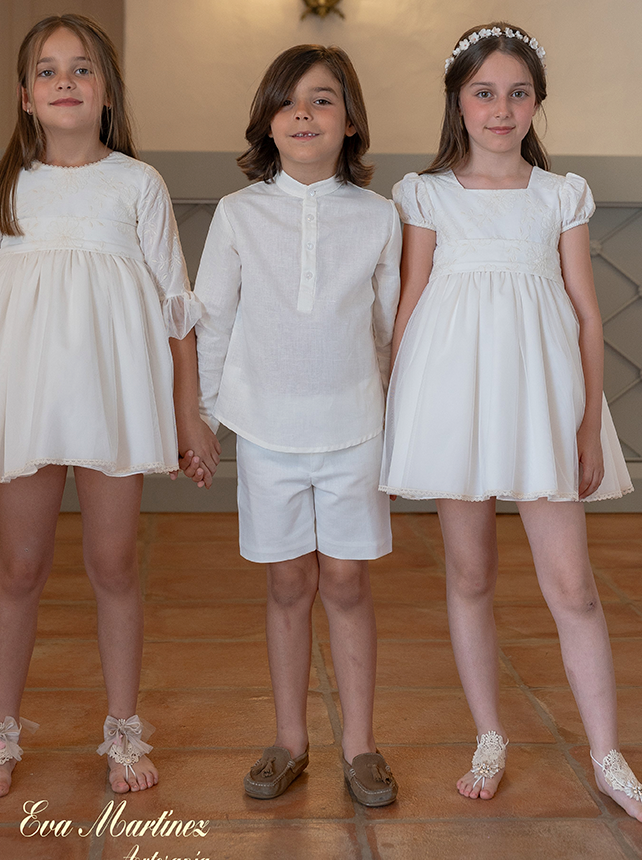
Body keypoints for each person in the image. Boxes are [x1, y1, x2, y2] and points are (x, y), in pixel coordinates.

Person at [0, 13, 219, 797]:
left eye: (81, 68)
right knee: (20, 565)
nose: (64, 81)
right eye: (46, 71)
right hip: (28, 399)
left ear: (107, 90)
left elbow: (176, 313)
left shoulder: (137, 185)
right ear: (25, 96)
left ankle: (122, 728)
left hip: (111, 399)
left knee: (114, 562)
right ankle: (1, 730)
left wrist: (187, 415)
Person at [380, 22, 642, 823]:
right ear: (458, 101)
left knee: (572, 585)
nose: (500, 109)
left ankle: (607, 754)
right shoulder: (426, 194)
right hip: (453, 399)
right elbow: (410, 307)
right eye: (484, 93)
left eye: (517, 93)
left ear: (537, 102)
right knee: (470, 574)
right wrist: (403, 420)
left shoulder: (560, 194)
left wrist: (586, 426)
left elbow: (587, 316)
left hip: (543, 401)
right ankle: (489, 735)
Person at [194, 45, 400, 806]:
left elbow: (391, 331)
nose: (303, 114)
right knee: (288, 582)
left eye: (322, 100)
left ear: (351, 122)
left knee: (345, 580)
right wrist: (203, 417)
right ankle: (289, 740)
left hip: (356, 427)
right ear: (267, 122)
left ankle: (361, 745)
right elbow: (213, 321)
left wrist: (399, 425)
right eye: (287, 101)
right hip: (266, 429)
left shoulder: (380, 217)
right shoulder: (239, 214)